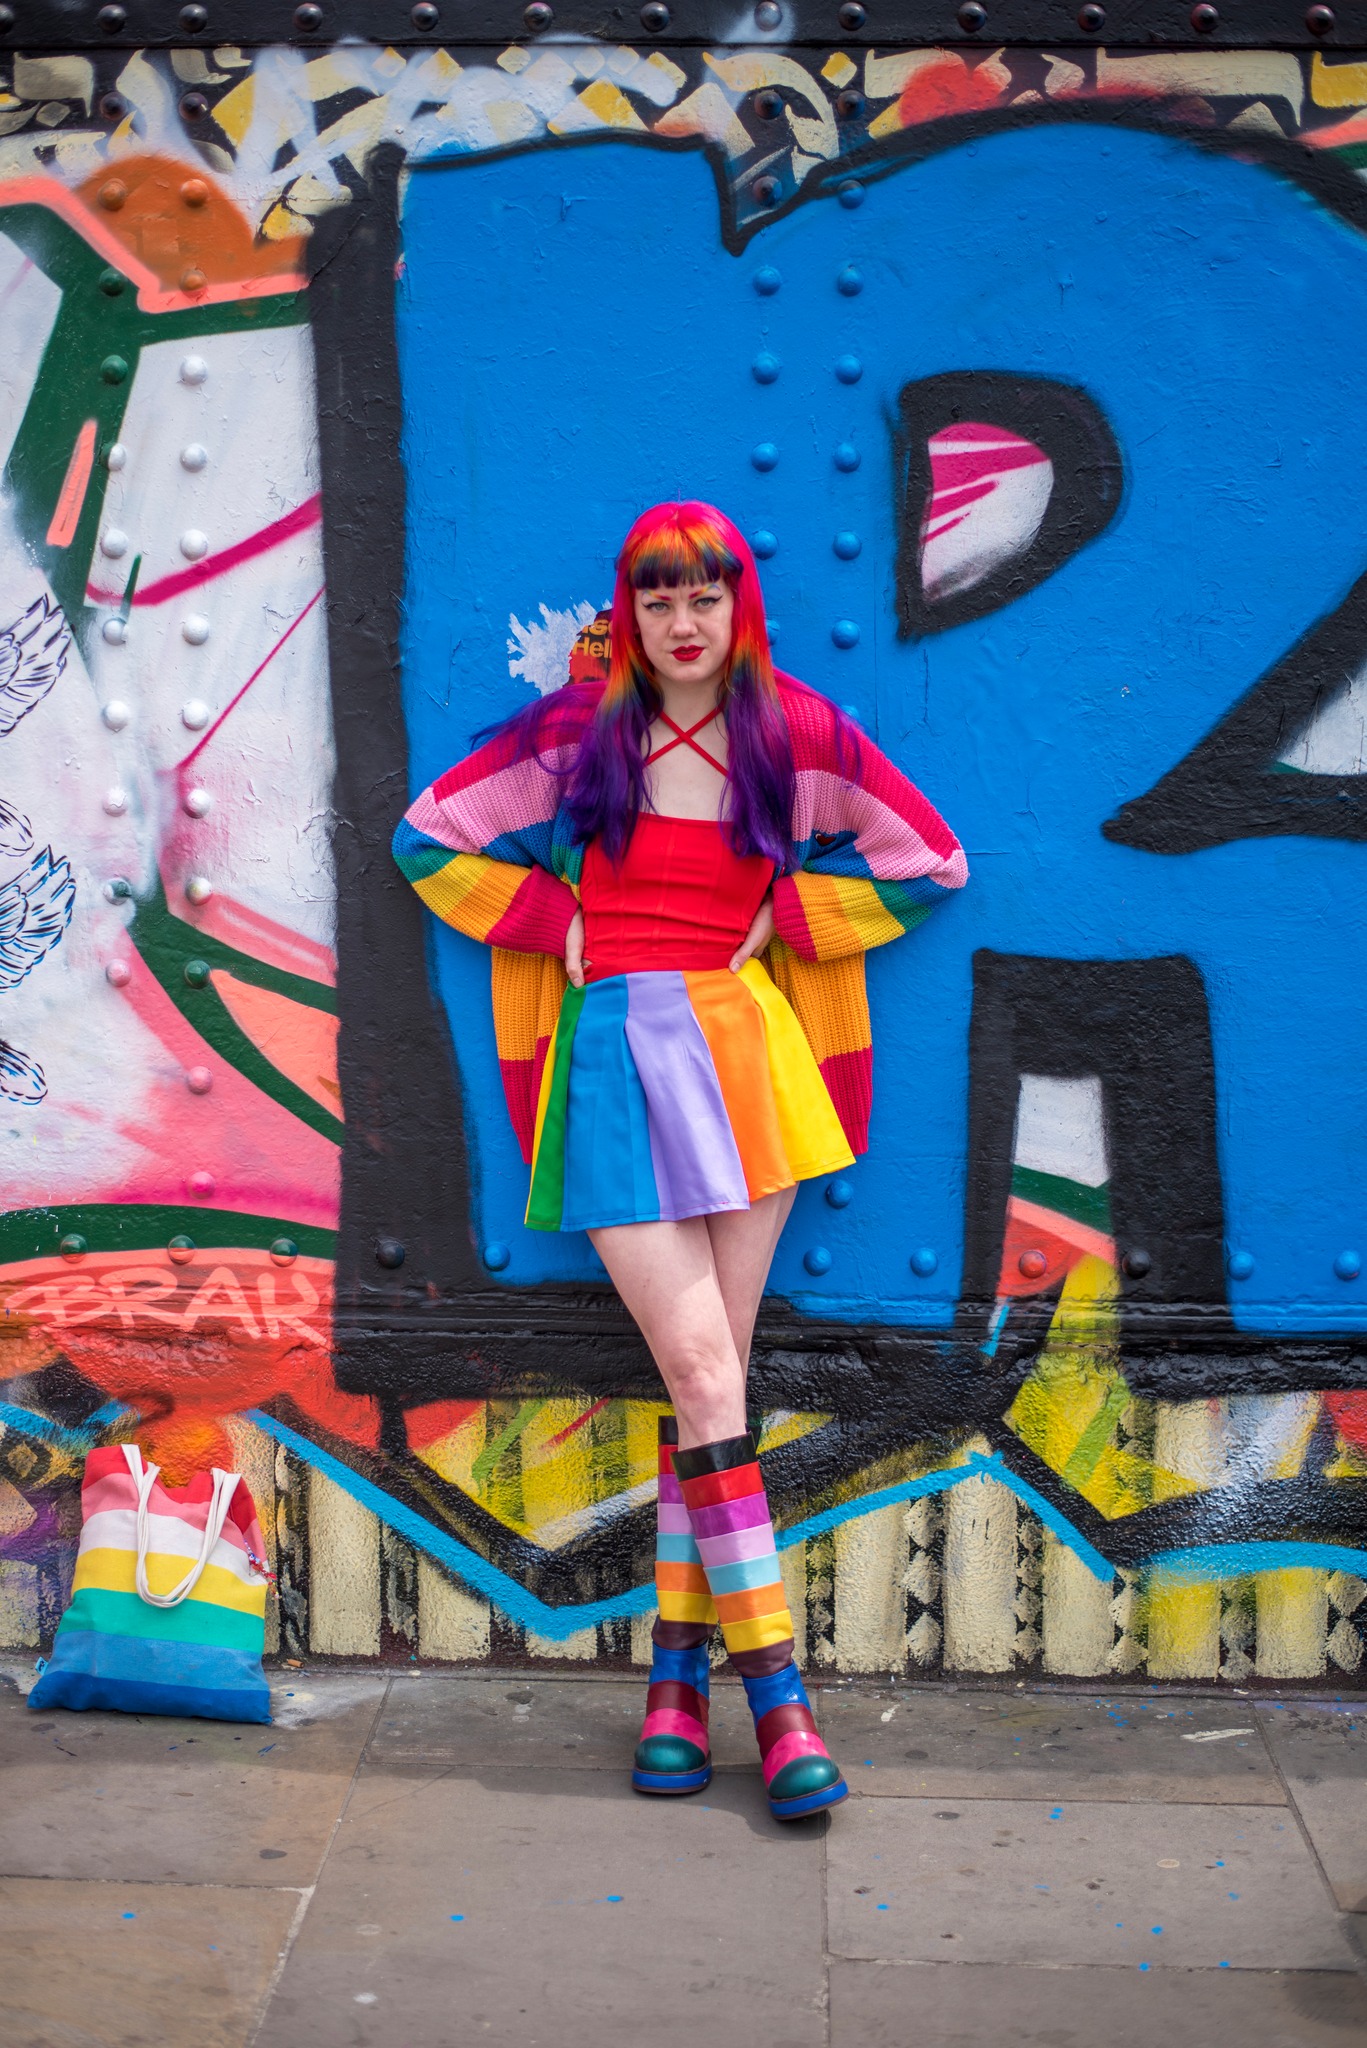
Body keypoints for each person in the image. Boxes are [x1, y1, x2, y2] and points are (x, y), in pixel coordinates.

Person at [393, 501, 967, 1819]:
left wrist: (795, 915)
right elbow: (427, 839)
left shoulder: (797, 734)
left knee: (704, 1384)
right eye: (658, 599)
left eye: (705, 596)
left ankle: (671, 1686)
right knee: (708, 1371)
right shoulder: (574, 737)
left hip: (748, 1057)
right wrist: (551, 917)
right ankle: (780, 1706)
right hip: (608, 1066)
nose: (684, 621)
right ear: (632, 612)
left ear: (738, 606)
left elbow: (931, 859)